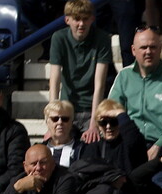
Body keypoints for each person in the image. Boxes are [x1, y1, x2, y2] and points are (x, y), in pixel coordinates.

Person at [107, 27, 162, 160]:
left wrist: (159, 145)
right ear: (133, 50)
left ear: (160, 48)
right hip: (127, 145)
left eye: (153, 47)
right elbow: (110, 111)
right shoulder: (123, 77)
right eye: (143, 47)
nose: (148, 52)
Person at [48, 0, 114, 130]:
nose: (81, 24)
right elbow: (54, 80)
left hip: (93, 107)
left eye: (85, 19)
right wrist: (53, 116)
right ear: (67, 20)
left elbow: (99, 84)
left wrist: (94, 122)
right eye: (77, 19)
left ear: (92, 19)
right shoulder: (59, 38)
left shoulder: (102, 38)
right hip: (67, 107)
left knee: (94, 139)